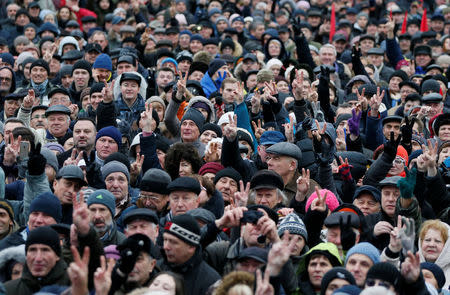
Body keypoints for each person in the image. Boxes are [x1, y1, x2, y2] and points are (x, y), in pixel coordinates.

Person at [159, 214, 220, 295]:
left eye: (173, 242)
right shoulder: (156, 268)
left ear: (191, 247)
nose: (166, 247)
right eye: (165, 239)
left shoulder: (210, 281)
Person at [4, 226, 70, 294]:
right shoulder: (8, 290)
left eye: (45, 250)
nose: (38, 258)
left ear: (57, 255)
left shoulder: (74, 286)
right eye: (32, 250)